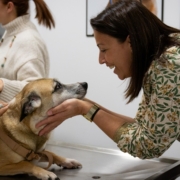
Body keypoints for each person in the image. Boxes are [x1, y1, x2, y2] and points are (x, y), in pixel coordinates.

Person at [36, 0, 180, 159]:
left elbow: (145, 145)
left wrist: (86, 110)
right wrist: (86, 105)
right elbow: (142, 127)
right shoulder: (158, 62)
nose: (101, 60)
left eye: (103, 49)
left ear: (130, 41)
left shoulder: (169, 66)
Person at [0, 0, 55, 102]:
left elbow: (36, 91)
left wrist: (3, 85)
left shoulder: (29, 41)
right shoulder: (9, 33)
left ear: (9, 7)